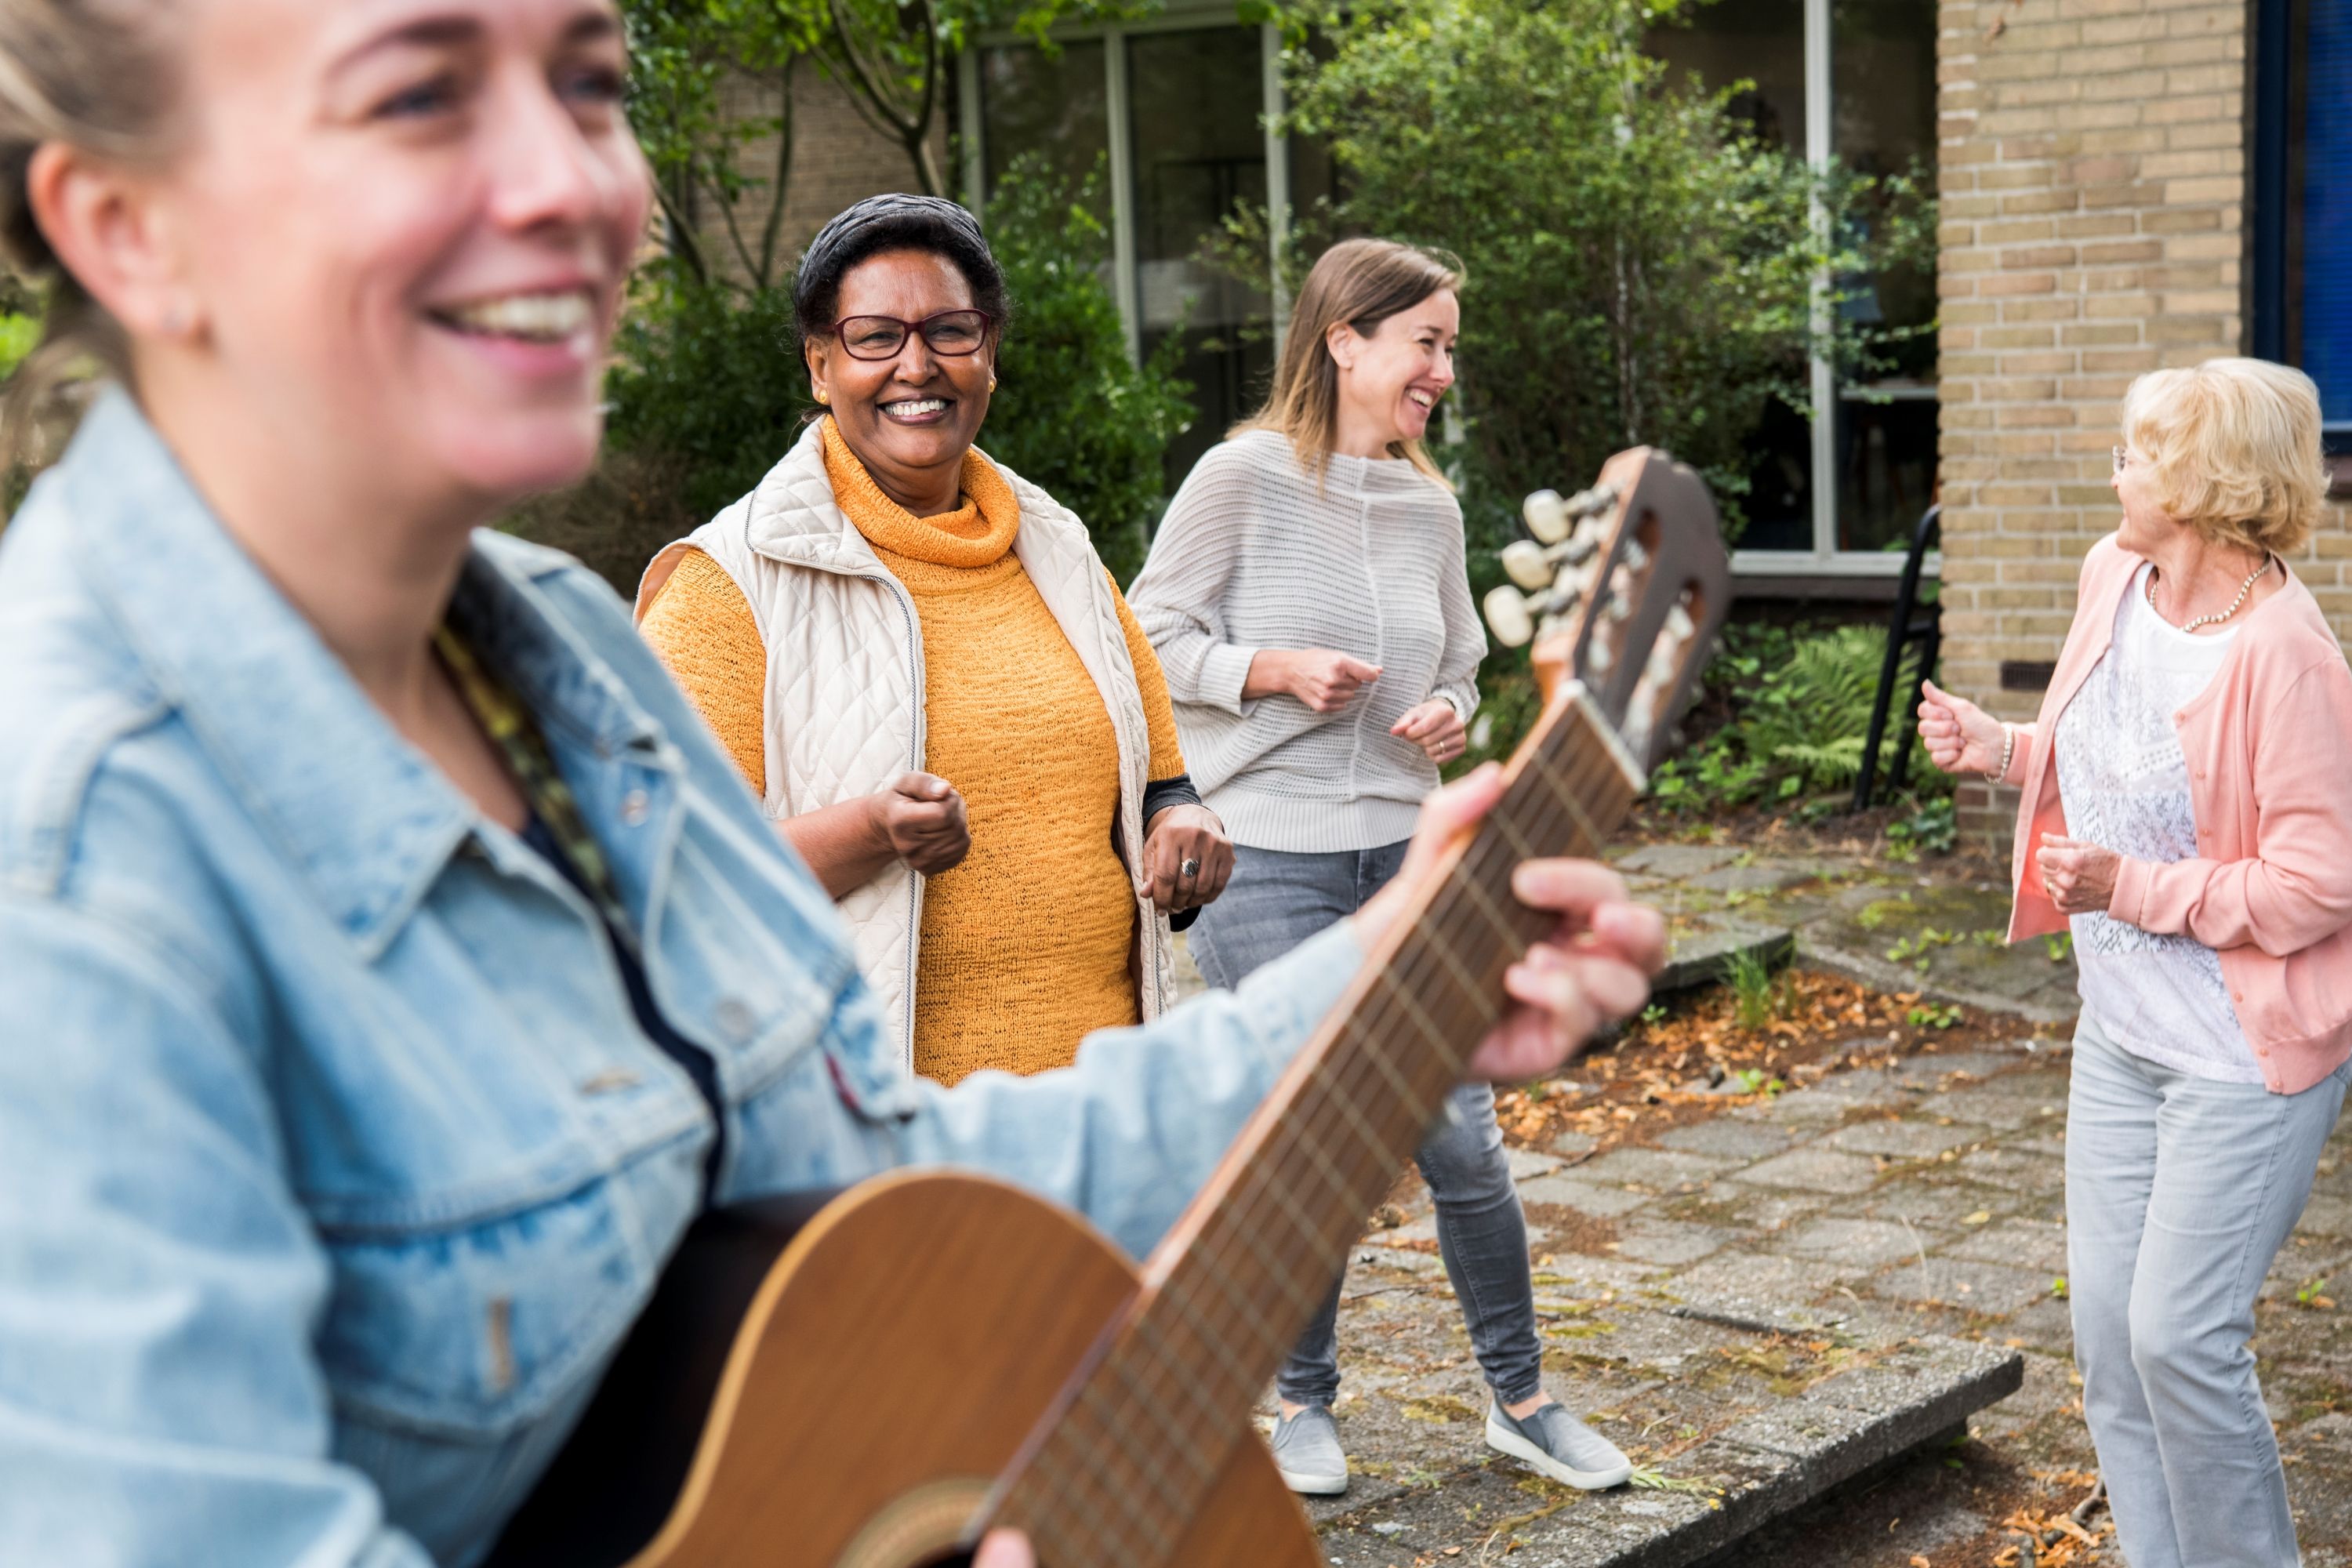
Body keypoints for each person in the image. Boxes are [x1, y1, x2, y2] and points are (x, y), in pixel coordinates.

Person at [0, 3, 1664, 1566]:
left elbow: (867, 1195)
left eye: (591, 86)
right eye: (418, 95)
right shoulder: (69, 866)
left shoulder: (559, 662)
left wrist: (1387, 986)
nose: (574, 183)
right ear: (125, 226)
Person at [1127, 237, 1634, 1499]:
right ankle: (1301, 1402)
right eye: (1428, 342)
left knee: (1462, 1141)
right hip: (1267, 858)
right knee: (1309, 1139)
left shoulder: (1430, 505)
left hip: (1407, 852)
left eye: (1450, 346)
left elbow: (1457, 656)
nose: (1443, 370)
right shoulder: (1239, 479)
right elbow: (1146, 634)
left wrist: (1452, 713)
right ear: (1344, 340)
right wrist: (1272, 670)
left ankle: (1522, 1400)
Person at [634, 194, 1230, 1087]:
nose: (917, 364)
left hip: (1099, 1107)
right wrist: (871, 829)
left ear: (988, 351)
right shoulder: (729, 584)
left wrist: (1185, 825)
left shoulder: (1058, 549)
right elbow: (674, 883)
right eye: (875, 336)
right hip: (882, 1136)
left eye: (950, 330)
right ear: (819, 365)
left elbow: (1161, 783)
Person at [1918, 358, 2352, 1568]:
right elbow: (2096, 758)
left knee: (2182, 1340)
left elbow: (2321, 885)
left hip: (2239, 1063)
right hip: (2120, 1040)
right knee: (2112, 1343)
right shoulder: (2115, 576)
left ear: (2213, 485)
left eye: (2141, 452)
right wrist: (1999, 749)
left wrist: (2135, 893)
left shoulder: (2287, 656)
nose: (2115, 469)